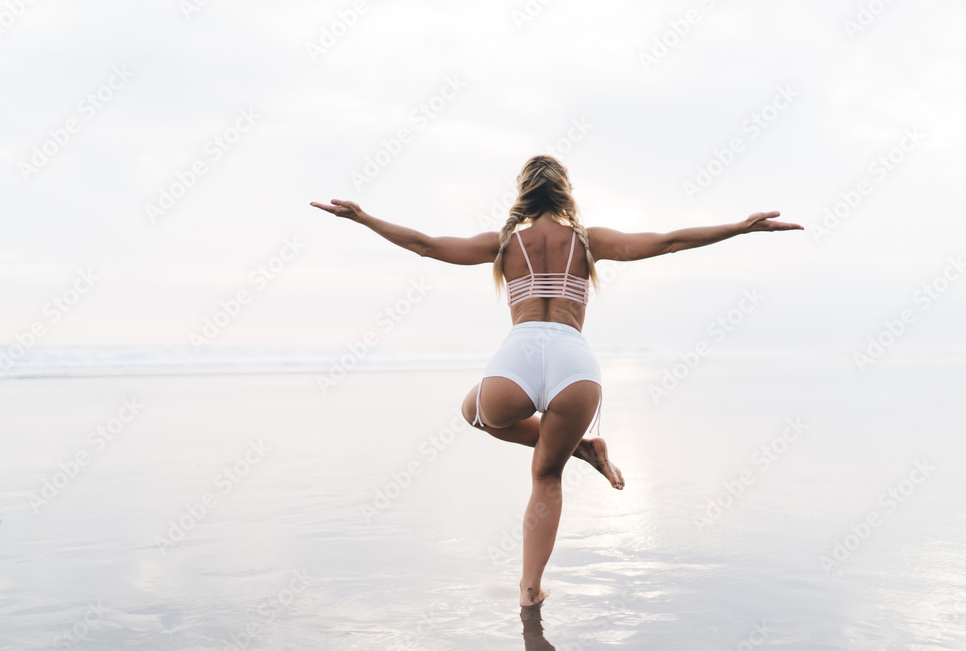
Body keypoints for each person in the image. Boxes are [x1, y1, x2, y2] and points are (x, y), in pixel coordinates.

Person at [311, 154, 803, 608]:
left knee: (475, 413)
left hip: (518, 356)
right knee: (547, 477)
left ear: (523, 191)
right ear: (565, 191)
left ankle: (581, 454)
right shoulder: (591, 241)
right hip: (575, 365)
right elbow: (670, 241)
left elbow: (425, 246)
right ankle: (531, 588)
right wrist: (738, 228)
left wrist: (364, 218)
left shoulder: (504, 244)